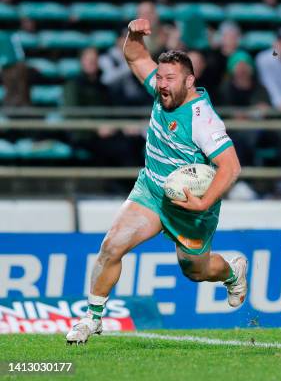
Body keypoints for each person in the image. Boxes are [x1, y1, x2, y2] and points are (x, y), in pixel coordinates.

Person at [66, 18, 246, 344]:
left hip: (191, 207)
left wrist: (203, 202)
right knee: (111, 247)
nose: (161, 84)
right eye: (160, 77)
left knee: (195, 271)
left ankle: (232, 272)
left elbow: (231, 168)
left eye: (170, 78)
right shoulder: (162, 90)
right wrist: (134, 34)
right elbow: (135, 56)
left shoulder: (203, 119)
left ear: (190, 81)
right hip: (151, 190)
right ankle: (92, 319)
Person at [99, 30, 150, 106]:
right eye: (125, 38)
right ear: (118, 40)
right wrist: (128, 65)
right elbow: (106, 79)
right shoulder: (106, 57)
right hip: (115, 103)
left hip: (137, 101)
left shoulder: (138, 56)